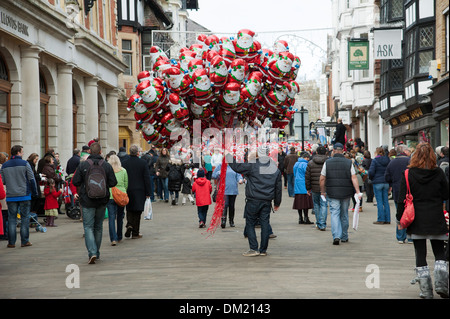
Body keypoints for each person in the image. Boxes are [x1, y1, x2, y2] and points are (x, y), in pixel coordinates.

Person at [396, 143, 449, 299]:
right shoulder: (438, 172)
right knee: (439, 251)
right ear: (433, 156)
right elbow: (446, 194)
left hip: (416, 218)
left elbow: (401, 199)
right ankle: (441, 284)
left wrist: (400, 218)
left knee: (420, 252)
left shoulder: (408, 174)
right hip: (435, 217)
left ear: (414, 156)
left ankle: (426, 290)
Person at [227, 146, 282, 256]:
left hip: (253, 199)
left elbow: (237, 167)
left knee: (250, 223)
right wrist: (277, 203)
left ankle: (254, 248)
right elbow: (278, 188)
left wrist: (228, 156)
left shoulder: (252, 165)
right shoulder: (275, 168)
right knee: (265, 224)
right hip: (267, 200)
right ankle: (263, 250)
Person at [72, 142, 117, 264]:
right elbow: (113, 183)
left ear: (89, 152)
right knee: (98, 227)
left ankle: (91, 252)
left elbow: (75, 181)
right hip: (102, 200)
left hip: (87, 200)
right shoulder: (106, 165)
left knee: (88, 227)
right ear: (101, 152)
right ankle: (96, 253)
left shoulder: (83, 165)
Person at [319, 143, 362, 245]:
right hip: (346, 192)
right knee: (344, 214)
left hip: (332, 192)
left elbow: (322, 178)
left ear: (333, 150)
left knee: (334, 213)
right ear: (342, 151)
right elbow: (354, 177)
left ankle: (336, 236)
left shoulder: (327, 163)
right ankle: (344, 235)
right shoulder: (348, 162)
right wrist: (357, 191)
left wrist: (322, 191)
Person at [0, 145, 38, 248]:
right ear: (18, 153)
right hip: (24, 195)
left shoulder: (4, 165)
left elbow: (3, 181)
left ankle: (11, 242)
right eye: (22, 152)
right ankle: (24, 241)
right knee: (25, 218)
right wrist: (34, 193)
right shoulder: (25, 163)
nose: (23, 153)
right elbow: (31, 179)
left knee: (12, 219)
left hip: (11, 195)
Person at [122, 145, 151, 239]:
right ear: (138, 152)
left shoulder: (124, 163)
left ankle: (129, 224)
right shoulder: (143, 163)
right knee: (138, 211)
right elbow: (147, 178)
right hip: (140, 190)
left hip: (128, 189)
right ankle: (135, 232)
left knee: (129, 209)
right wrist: (148, 192)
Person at [385, 144, 412, 244]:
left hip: (397, 191)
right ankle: (410, 236)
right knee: (410, 213)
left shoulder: (392, 162)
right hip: (410, 191)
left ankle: (400, 236)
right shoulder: (410, 161)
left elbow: (387, 177)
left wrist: (393, 182)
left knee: (400, 214)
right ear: (405, 151)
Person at [212, 163, 244, 228]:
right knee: (225, 205)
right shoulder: (220, 166)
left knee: (232, 206)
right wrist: (219, 173)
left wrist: (240, 179)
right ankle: (223, 220)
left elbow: (238, 175)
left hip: (233, 190)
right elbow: (213, 176)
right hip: (224, 190)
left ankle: (231, 221)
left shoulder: (234, 166)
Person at [106, 154, 128, 246]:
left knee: (111, 217)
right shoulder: (123, 170)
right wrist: (123, 191)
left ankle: (113, 238)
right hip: (121, 195)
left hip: (111, 195)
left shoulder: (107, 171)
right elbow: (126, 184)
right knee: (120, 216)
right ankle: (119, 236)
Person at [305, 145, 328, 231]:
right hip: (325, 187)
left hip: (314, 187)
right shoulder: (328, 162)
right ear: (325, 152)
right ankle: (322, 223)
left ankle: (319, 223)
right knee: (324, 205)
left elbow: (307, 176)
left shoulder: (311, 163)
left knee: (317, 205)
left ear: (317, 152)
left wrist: (308, 188)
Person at [368, 147, 391, 224]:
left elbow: (371, 172)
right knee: (386, 201)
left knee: (379, 201)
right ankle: (387, 219)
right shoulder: (388, 160)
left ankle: (381, 219)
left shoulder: (375, 160)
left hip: (377, 182)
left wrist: (371, 178)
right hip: (386, 182)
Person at [293, 151, 314, 224]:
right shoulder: (305, 164)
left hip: (297, 185)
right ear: (307, 157)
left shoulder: (296, 164)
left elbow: (294, 173)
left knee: (299, 203)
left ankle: (300, 218)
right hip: (304, 185)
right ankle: (306, 218)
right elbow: (307, 174)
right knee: (305, 203)